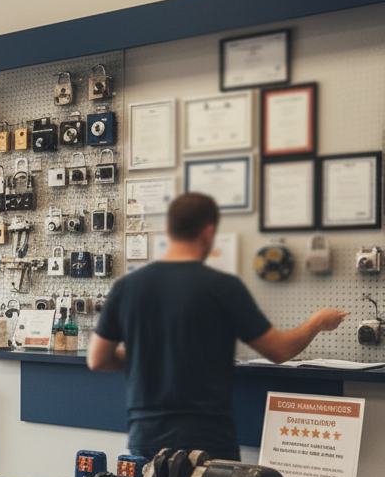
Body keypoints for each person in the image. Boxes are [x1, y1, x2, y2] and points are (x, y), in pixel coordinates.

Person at [87, 192, 348, 460]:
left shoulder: (127, 287)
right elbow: (279, 350)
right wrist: (318, 321)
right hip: (207, 439)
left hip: (146, 436)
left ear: (168, 229)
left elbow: (97, 359)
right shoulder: (223, 287)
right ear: (208, 232)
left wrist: (146, 351)